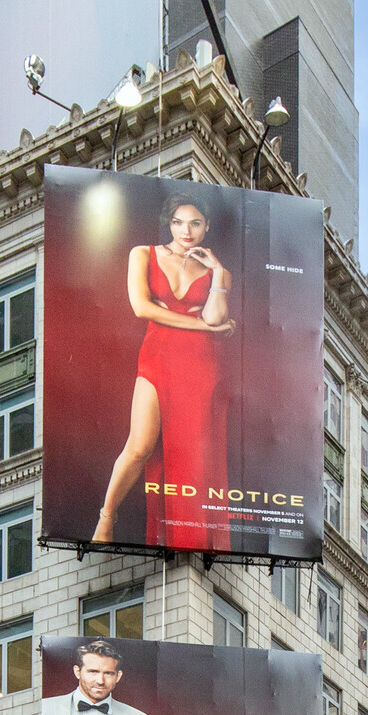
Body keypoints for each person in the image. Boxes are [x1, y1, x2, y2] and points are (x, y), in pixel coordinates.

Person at [95, 194, 236, 550]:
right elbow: (142, 308)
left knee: (194, 457)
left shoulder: (218, 272)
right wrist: (204, 327)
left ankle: (190, 539)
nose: (185, 231)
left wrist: (218, 272)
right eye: (178, 222)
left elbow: (216, 316)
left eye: (195, 223)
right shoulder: (142, 253)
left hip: (200, 366)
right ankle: (106, 518)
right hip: (157, 356)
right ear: (168, 222)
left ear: (207, 227)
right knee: (140, 444)